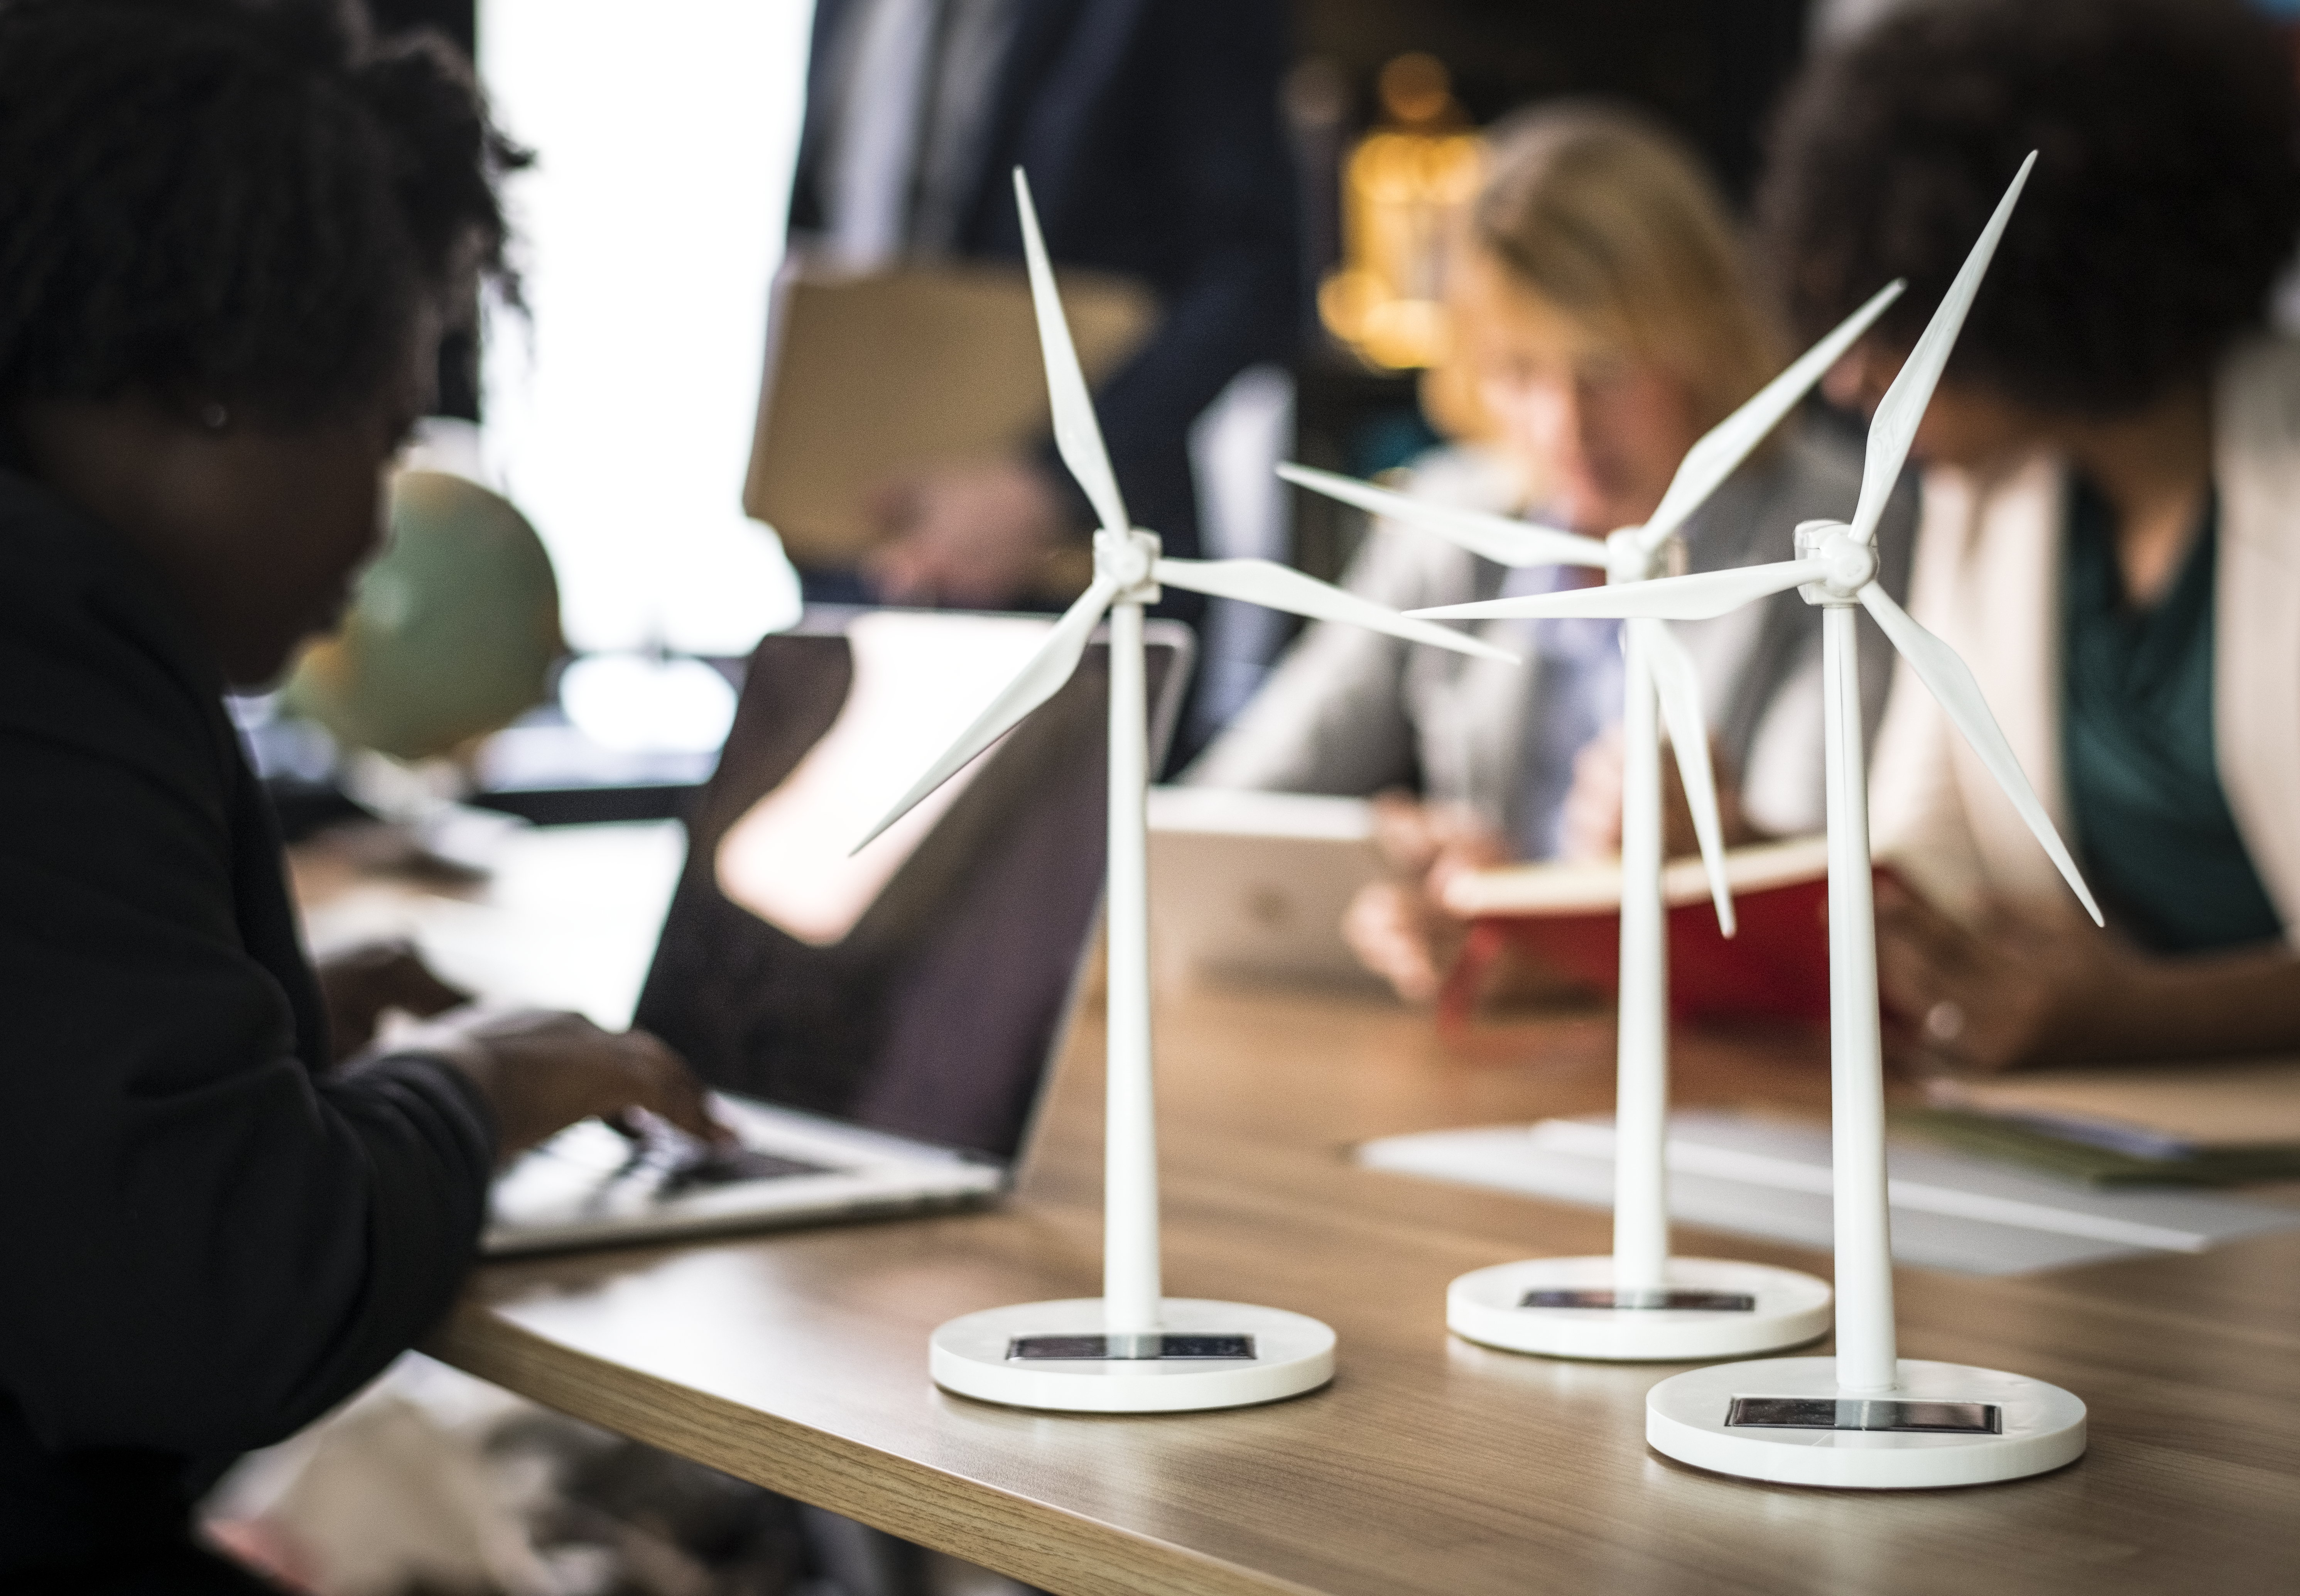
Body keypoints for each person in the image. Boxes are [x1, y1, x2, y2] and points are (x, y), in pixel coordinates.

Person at [0, 3, 720, 1588]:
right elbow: (211, 1299)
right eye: (383, 438)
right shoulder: (45, 623)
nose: (376, 531)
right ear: (217, 379)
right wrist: (475, 1083)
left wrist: (246, 1048)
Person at [1187, 103, 1916, 1002]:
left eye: (1604, 366)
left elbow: (1827, 891)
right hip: (1499, 1056)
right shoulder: (1447, 517)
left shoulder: (1836, 535)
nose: (1561, 425)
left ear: (1700, 339)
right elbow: (1223, 807)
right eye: (1519, 371)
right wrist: (1380, 863)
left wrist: (1720, 846)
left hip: (1735, 1058)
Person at [1760, 0, 2300, 1073]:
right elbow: (1930, 862)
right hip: (2135, 1139)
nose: (1850, 380)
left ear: (2032, 274)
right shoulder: (1987, 504)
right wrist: (1731, 881)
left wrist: (2151, 1017)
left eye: (1892, 327)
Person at [783, 0, 1299, 613]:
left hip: (1077, 577)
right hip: (851, 554)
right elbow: (823, 226)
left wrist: (1049, 483)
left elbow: (1255, 270)